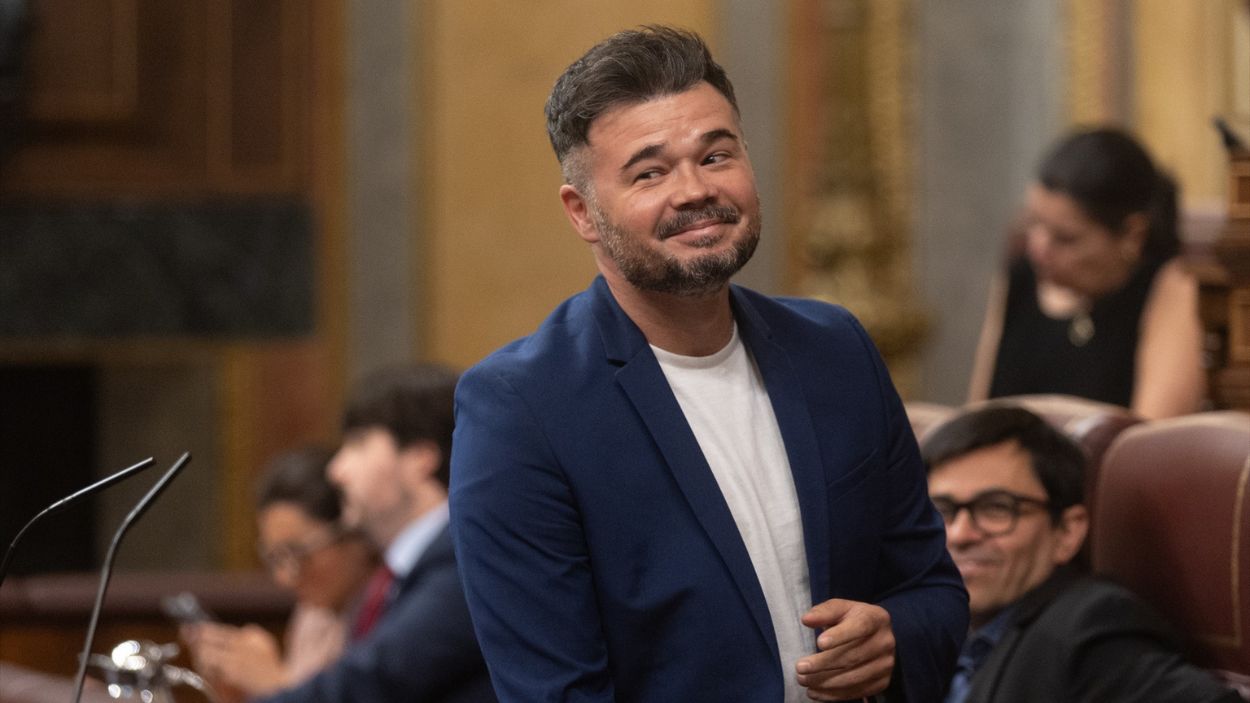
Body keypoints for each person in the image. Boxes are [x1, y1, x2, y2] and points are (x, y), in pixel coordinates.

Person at [449, 26, 967, 703]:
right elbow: (557, 691)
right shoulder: (521, 408)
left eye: (716, 155)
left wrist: (893, 635)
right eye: (649, 172)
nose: (694, 190)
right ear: (583, 212)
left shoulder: (834, 348)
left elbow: (934, 589)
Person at [922, 404, 1242, 702]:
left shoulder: (1093, 628)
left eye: (996, 508)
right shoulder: (934, 624)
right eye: (942, 510)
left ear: (1068, 531)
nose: (960, 534)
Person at [255, 364, 495, 703]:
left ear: (419, 458)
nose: (337, 471)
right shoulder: (405, 572)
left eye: (358, 443)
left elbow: (378, 678)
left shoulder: (462, 560)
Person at [967, 127, 1205, 420]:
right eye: (1034, 224)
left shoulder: (1167, 286)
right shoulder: (1020, 277)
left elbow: (1152, 445)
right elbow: (976, 417)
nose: (1038, 248)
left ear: (1132, 234)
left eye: (1065, 238)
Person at [184, 446, 378, 700]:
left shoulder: (393, 614)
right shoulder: (313, 617)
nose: (285, 578)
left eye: (298, 553)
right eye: (275, 558)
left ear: (354, 535)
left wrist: (274, 683)